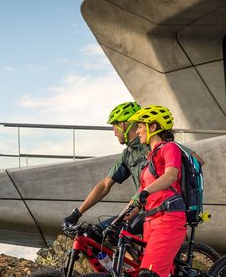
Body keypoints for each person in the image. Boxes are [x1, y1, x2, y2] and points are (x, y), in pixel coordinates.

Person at [62, 101, 149, 233]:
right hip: (140, 209)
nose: (113, 132)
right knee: (100, 233)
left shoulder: (152, 145)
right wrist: (77, 213)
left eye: (114, 126)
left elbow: (190, 155)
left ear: (122, 125)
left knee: (103, 233)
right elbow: (104, 185)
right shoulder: (127, 155)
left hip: (157, 210)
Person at [125, 105, 187, 277]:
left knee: (148, 274)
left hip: (168, 219)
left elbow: (171, 175)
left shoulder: (169, 148)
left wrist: (145, 192)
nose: (137, 131)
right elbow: (139, 197)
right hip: (150, 222)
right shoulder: (148, 162)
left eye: (139, 126)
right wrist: (121, 217)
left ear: (153, 127)